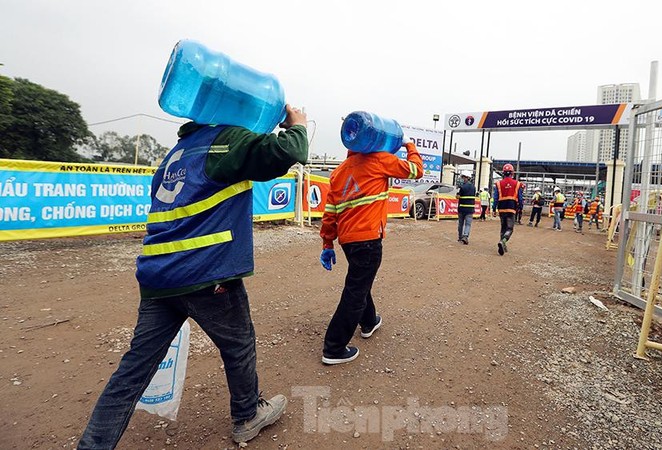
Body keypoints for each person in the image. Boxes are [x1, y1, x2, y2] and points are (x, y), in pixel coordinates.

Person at [78, 105, 309, 449]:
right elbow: (288, 152)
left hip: (158, 277)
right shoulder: (227, 139)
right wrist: (298, 124)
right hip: (206, 274)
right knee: (238, 345)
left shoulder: (179, 150)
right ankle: (247, 416)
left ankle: (93, 445)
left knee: (133, 370)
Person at [319, 135, 423, 365]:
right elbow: (416, 170)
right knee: (355, 289)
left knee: (360, 280)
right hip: (368, 240)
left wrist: (327, 243)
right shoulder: (378, 160)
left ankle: (369, 322)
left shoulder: (339, 172)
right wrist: (409, 145)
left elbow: (330, 213)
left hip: (348, 241)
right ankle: (333, 348)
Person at [493, 163, 523, 255]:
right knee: (509, 228)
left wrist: (494, 208)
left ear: (503, 173)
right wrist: (520, 207)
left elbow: (495, 198)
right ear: (512, 173)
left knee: (503, 227)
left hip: (501, 208)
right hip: (511, 208)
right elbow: (520, 198)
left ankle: (502, 244)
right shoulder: (517, 184)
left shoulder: (498, 183)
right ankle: (503, 242)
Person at [456, 170, 476, 244]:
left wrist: (458, 191)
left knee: (461, 223)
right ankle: (465, 236)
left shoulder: (462, 187)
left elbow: (458, 197)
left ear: (466, 178)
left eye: (463, 177)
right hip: (470, 209)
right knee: (468, 224)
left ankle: (460, 237)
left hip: (462, 208)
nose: (462, 178)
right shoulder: (473, 187)